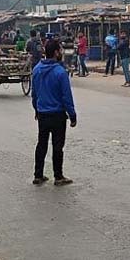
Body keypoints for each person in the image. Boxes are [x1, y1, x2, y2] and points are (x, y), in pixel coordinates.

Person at [31, 39, 76, 186]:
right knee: (57, 146)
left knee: (41, 144)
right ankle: (58, 176)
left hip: (43, 113)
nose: (62, 52)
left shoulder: (37, 69)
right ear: (56, 52)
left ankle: (38, 175)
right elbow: (66, 97)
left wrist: (36, 109)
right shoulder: (60, 72)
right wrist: (72, 115)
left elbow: (35, 93)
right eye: (60, 50)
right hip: (57, 114)